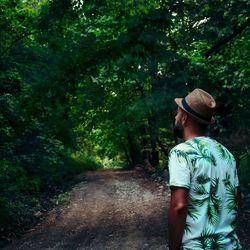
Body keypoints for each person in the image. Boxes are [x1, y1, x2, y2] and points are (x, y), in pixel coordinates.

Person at [168, 88, 242, 250]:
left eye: (177, 113)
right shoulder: (226, 154)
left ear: (184, 119)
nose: (175, 116)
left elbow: (179, 207)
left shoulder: (181, 152)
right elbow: (236, 199)